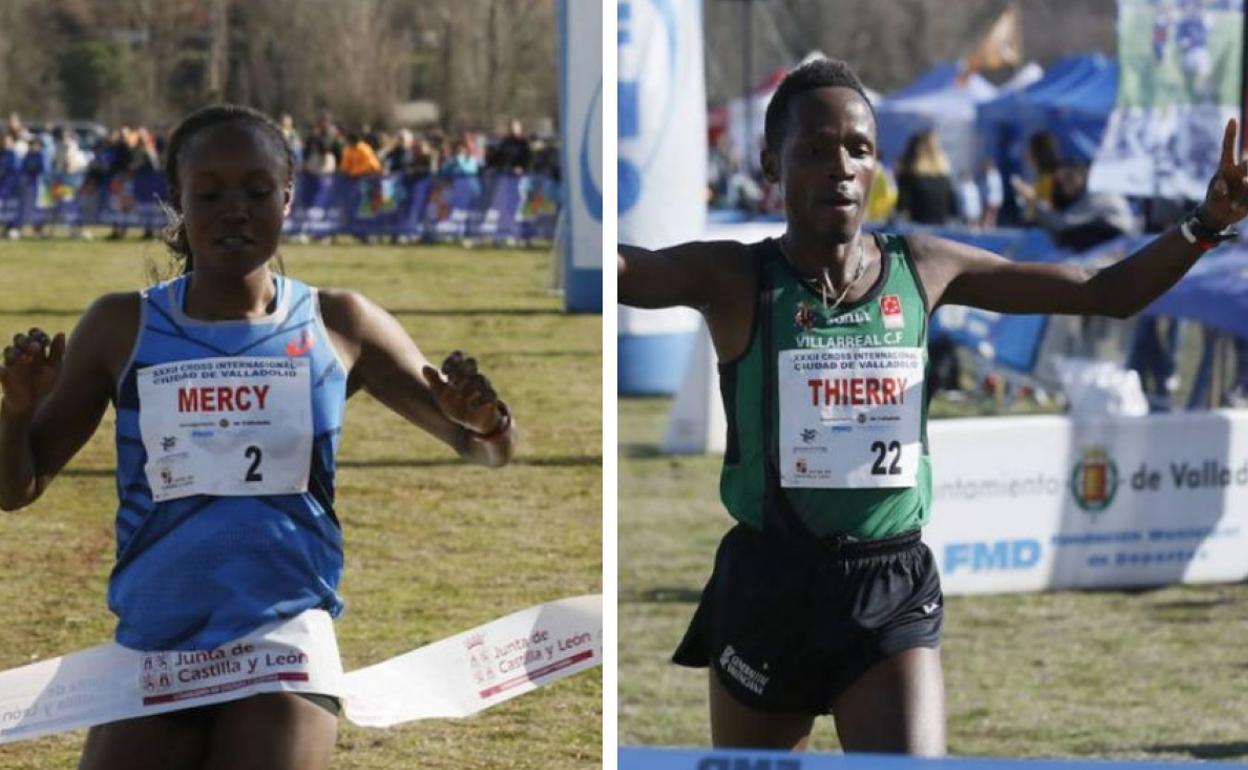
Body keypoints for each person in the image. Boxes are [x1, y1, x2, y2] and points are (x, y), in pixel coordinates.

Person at [618, 57, 1248, 755]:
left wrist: (1206, 222)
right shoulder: (735, 277)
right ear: (770, 164)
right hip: (769, 584)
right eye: (815, 150)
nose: (842, 167)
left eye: (859, 148)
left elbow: (1101, 291)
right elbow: (628, 270)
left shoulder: (921, 267)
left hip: (889, 589)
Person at [0, 104, 517, 770]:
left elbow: (486, 448)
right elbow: (14, 490)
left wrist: (486, 423)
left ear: (289, 197)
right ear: (179, 203)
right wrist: (15, 412)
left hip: (284, 641)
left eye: (256, 190)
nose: (234, 209)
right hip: (154, 645)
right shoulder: (119, 327)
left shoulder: (340, 323)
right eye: (210, 193)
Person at [894, 131, 957, 225]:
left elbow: (902, 209)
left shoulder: (909, 177)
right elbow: (953, 210)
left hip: (916, 232)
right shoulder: (945, 179)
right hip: (941, 233)